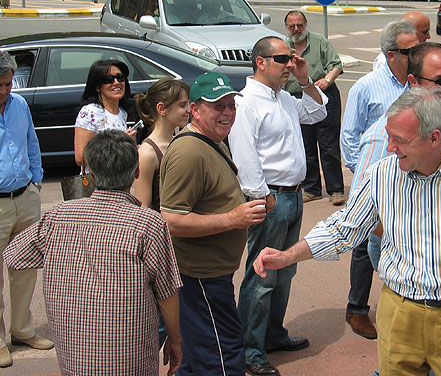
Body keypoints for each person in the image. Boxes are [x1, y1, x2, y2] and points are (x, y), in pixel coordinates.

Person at [252, 87, 441, 376]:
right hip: (398, 315)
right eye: (389, 136)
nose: (389, 147)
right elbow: (343, 229)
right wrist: (286, 256)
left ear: (434, 138)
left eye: (399, 139)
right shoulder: (384, 174)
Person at [4, 130, 183, 376]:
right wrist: (175, 340)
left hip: (74, 355)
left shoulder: (59, 216)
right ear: (137, 172)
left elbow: (14, 255)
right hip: (130, 358)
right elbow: (167, 293)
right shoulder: (148, 223)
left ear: (90, 172)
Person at [228, 36, 327, 376]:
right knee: (262, 276)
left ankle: (273, 334)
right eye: (283, 59)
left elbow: (317, 111)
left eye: (291, 58)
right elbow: (244, 153)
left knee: (285, 270)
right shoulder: (246, 103)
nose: (289, 63)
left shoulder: (283, 98)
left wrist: (305, 79)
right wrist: (261, 195)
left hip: (293, 195)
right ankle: (250, 349)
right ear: (261, 62)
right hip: (270, 197)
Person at [160, 72, 268, 376]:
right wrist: (233, 218)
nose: (228, 112)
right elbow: (171, 220)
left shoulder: (211, 140)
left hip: (211, 275)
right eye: (217, 106)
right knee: (223, 354)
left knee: (198, 358)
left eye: (231, 105)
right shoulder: (188, 152)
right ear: (195, 109)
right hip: (201, 278)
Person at [352, 43, 441, 272]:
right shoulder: (385, 135)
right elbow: (362, 207)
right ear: (414, 81)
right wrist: (409, 239)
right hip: (415, 251)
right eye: (439, 81)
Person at [340, 20, 420, 340]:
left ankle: (401, 306)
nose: (416, 53)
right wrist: (367, 179)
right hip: (376, 185)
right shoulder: (367, 86)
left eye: (418, 47)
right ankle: (357, 308)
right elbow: (349, 136)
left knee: (404, 245)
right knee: (364, 247)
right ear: (391, 55)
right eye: (409, 50)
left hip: (412, 184)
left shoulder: (418, 86)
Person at [0, 51, 53, 368]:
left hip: (25, 198)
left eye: (7, 84)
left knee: (25, 270)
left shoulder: (19, 105)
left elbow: (31, 143)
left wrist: (37, 179)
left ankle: (21, 330)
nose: (5, 90)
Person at [283, 10, 345, 205]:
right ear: (287, 27)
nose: (296, 29)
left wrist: (327, 80)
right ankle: (312, 189)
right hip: (296, 98)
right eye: (292, 26)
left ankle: (336, 190)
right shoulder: (283, 48)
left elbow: (336, 65)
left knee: (328, 145)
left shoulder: (320, 42)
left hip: (324, 96)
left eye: (299, 25)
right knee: (305, 146)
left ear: (305, 24)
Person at [133, 78, 190, 210]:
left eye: (188, 104)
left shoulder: (179, 141)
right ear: (161, 108)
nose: (189, 110)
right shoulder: (147, 153)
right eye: (182, 105)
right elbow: (143, 207)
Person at [74, 59, 138, 168]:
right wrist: (119, 143)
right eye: (109, 79)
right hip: (97, 181)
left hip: (120, 179)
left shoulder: (122, 113)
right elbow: (80, 158)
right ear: (98, 87)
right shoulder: (90, 112)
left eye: (120, 77)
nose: (116, 83)